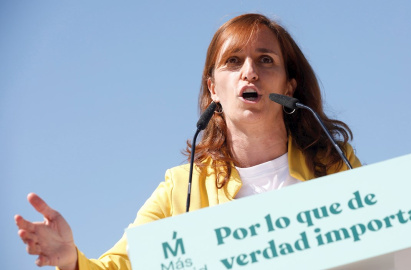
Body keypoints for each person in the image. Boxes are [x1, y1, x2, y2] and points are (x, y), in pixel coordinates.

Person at [15, 13, 361, 270]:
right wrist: (71, 261)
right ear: (213, 88)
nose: (250, 72)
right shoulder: (181, 189)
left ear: (288, 86)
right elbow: (120, 266)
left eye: (266, 60)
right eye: (234, 61)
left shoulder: (333, 164)